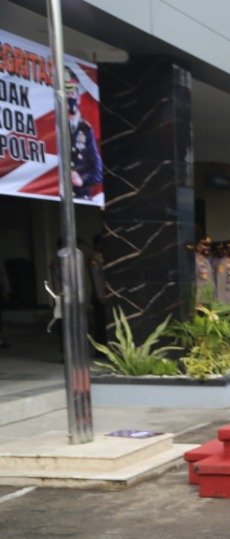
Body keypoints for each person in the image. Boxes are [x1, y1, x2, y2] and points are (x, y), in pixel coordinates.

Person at [64, 66, 102, 200]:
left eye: (72, 92)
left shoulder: (86, 130)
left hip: (81, 197)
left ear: (78, 97)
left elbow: (97, 172)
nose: (69, 97)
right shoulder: (58, 129)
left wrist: (81, 180)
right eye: (65, 93)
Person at [87, 233, 109, 344]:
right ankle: (100, 349)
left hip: (104, 295)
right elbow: (96, 278)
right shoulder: (95, 258)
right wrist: (100, 295)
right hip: (99, 296)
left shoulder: (101, 257)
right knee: (100, 324)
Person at [193, 236, 216, 303]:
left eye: (208, 246)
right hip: (199, 299)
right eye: (205, 245)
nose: (207, 248)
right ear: (198, 247)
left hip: (208, 298)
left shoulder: (206, 261)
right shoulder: (194, 260)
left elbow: (211, 280)